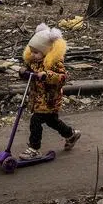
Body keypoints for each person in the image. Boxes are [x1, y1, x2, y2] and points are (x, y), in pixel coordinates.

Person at [18, 23, 80, 160]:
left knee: (36, 121)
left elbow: (62, 78)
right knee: (52, 121)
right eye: (31, 51)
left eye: (36, 52)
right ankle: (71, 134)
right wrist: (24, 73)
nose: (33, 55)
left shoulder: (55, 63)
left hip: (50, 100)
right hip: (37, 99)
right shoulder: (33, 62)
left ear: (46, 51)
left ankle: (34, 148)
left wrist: (47, 75)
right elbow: (28, 72)